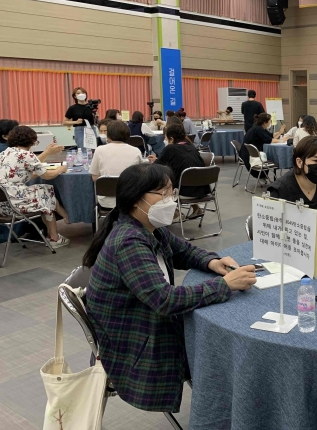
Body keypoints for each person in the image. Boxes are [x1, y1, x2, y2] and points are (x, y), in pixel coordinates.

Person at [84, 163, 256, 413]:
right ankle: (222, 412)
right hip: (135, 338)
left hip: (142, 319)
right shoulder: (129, 241)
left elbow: (184, 250)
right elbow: (165, 301)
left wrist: (212, 261)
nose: (171, 201)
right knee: (220, 348)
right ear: (135, 200)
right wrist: (224, 285)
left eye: (172, 192)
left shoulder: (148, 228)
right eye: (163, 194)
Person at [0, 126, 69, 247]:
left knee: (44, 190)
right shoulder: (27, 155)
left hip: (3, 206)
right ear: (31, 141)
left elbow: (19, 176)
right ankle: (55, 236)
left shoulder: (4, 153)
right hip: (16, 204)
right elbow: (47, 176)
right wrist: (60, 169)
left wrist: (37, 172)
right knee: (45, 193)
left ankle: (64, 218)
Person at [268, 136, 317, 234]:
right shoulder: (281, 189)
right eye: (316, 161)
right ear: (299, 162)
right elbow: (272, 225)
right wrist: (312, 227)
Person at [153, 122, 209, 218]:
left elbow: (156, 166)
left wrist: (154, 161)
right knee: (185, 176)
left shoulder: (170, 149)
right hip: (202, 190)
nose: (165, 139)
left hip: (184, 191)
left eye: (166, 137)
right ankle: (196, 208)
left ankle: (175, 213)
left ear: (171, 138)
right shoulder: (191, 147)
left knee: (159, 183)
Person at [89, 121, 143, 209]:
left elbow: (95, 177)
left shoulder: (99, 150)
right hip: (130, 199)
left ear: (108, 135)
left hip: (106, 201)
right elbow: (141, 176)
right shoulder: (135, 151)